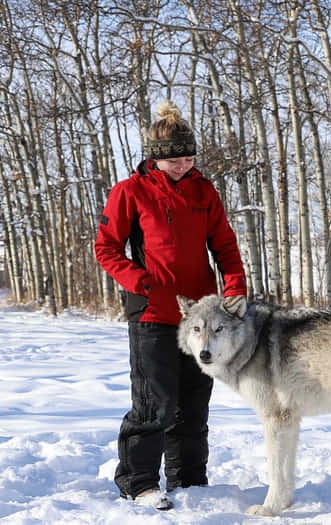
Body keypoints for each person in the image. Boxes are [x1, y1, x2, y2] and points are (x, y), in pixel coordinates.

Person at [95, 101, 247, 510]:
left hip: (202, 317)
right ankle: (139, 482)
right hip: (153, 314)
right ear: (154, 158)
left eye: (189, 158)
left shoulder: (204, 191)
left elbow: (225, 247)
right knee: (155, 404)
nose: (183, 165)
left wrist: (234, 288)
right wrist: (140, 282)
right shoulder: (130, 192)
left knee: (194, 404)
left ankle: (191, 481)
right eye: (175, 160)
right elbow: (106, 249)